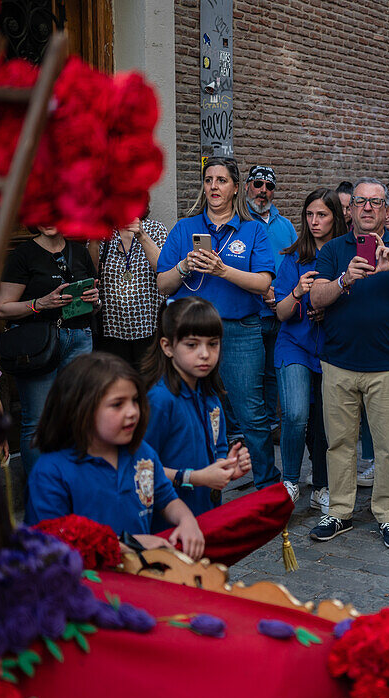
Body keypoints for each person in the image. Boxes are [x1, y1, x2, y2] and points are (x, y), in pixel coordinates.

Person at [308, 177, 389, 549]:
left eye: (375, 203)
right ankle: (340, 512)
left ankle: (388, 516)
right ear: (352, 208)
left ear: (384, 209)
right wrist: (345, 279)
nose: (366, 208)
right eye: (360, 201)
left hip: (388, 366)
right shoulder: (333, 250)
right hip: (340, 363)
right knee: (339, 442)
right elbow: (315, 297)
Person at [156, 156, 279, 492]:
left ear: (235, 187)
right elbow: (163, 285)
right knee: (193, 412)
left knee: (251, 415)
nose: (213, 186)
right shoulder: (185, 228)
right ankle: (199, 485)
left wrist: (222, 270)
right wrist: (184, 265)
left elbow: (264, 283)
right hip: (192, 336)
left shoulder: (252, 228)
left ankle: (268, 487)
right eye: (208, 180)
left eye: (221, 180)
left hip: (240, 333)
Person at [24, 352, 206, 560]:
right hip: (87, 586)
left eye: (135, 400)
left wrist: (187, 520)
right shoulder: (51, 472)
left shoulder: (143, 454)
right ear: (80, 408)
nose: (132, 412)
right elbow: (49, 543)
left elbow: (166, 499)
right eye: (117, 404)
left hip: (140, 578)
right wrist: (127, 545)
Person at [0, 225, 100, 476]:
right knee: (37, 422)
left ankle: (70, 489)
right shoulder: (23, 254)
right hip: (38, 346)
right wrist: (40, 304)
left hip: (78, 338)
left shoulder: (79, 251)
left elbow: (94, 305)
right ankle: (40, 497)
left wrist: (94, 301)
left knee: (77, 417)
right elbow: (3, 309)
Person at [142, 298, 252, 526]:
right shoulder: (159, 399)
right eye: (192, 345)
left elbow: (218, 447)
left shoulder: (210, 394)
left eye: (213, 344)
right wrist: (195, 478)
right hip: (166, 527)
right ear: (167, 347)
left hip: (206, 515)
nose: (205, 354)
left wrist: (227, 467)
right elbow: (141, 468)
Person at [274, 189, 346, 514]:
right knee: (296, 413)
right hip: (294, 345)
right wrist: (297, 292)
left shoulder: (342, 255)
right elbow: (281, 313)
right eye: (310, 215)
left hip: (330, 346)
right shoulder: (293, 256)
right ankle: (289, 481)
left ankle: (321, 486)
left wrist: (326, 307)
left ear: (336, 218)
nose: (315, 221)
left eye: (323, 215)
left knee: (323, 422)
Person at [245, 165, 298, 447]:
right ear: (247, 187)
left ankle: (272, 426)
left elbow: (295, 262)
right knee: (248, 374)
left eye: (269, 186)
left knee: (272, 372)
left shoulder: (285, 225)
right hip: (252, 312)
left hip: (282, 312)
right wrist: (263, 288)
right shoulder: (241, 220)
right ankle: (247, 431)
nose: (263, 190)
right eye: (258, 184)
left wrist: (285, 293)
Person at [88, 206, 168, 371]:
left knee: (149, 387)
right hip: (111, 329)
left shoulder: (155, 229)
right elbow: (91, 274)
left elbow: (164, 270)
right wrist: (94, 240)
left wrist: (142, 236)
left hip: (150, 327)